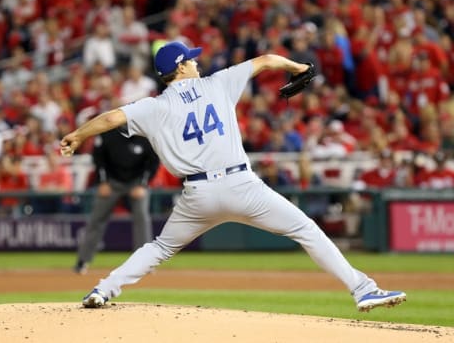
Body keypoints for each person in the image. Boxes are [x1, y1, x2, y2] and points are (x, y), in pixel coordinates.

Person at [60, 41, 406, 311]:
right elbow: (268, 60)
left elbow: (108, 119)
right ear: (180, 67)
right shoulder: (218, 83)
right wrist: (299, 66)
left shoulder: (153, 106)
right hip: (242, 186)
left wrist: (77, 136)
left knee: (160, 247)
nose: (196, 61)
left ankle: (103, 288)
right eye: (190, 59)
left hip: (197, 195)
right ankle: (362, 289)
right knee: (305, 229)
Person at [73, 128, 159, 274]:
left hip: (136, 183)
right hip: (111, 182)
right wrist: (102, 181)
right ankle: (83, 261)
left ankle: (145, 263)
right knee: (96, 219)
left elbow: (153, 162)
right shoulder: (108, 133)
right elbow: (98, 158)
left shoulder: (145, 134)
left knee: (142, 218)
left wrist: (143, 184)